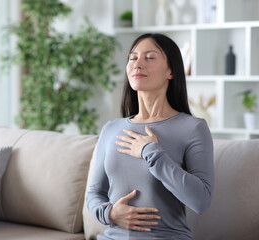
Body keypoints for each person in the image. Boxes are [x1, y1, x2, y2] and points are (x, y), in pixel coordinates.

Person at [86, 33, 214, 240]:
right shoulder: (111, 129)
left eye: (150, 57)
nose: (138, 64)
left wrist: (151, 152)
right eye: (133, 57)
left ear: (171, 71)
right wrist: (109, 213)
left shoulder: (192, 128)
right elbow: (94, 193)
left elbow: (201, 201)